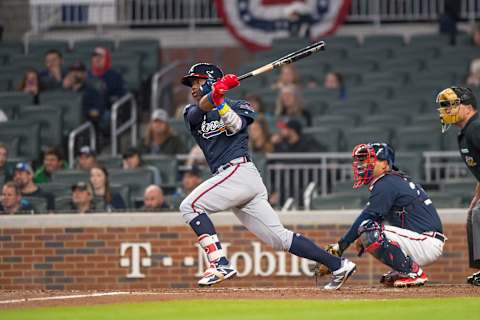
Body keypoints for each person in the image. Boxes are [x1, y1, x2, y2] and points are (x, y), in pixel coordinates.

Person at [180, 62, 356, 289]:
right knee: (280, 238)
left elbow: (234, 126)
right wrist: (215, 94)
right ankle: (338, 265)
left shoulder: (240, 105)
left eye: (198, 81)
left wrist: (221, 99)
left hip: (239, 172)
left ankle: (220, 264)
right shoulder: (191, 112)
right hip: (233, 179)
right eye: (192, 83)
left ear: (212, 81)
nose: (193, 87)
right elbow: (199, 111)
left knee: (189, 206)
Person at [323, 142, 445, 288]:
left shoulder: (387, 182)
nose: (363, 164)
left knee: (368, 229)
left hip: (426, 242)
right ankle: (403, 269)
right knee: (367, 230)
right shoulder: (392, 180)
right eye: (362, 160)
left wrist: (340, 246)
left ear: (385, 165)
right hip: (420, 239)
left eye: (370, 160)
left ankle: (411, 272)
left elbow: (368, 216)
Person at [436, 86, 480, 286]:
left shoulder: (476, 127)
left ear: (469, 108)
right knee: (475, 213)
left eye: (452, 105)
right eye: (444, 106)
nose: (446, 110)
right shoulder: (468, 130)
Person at [63, 61, 109, 138]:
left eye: (78, 72)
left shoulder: (92, 91)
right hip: (66, 123)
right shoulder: (63, 92)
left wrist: (85, 112)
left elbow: (97, 112)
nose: (75, 74)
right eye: (73, 71)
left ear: (85, 74)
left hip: (85, 123)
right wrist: (64, 89)